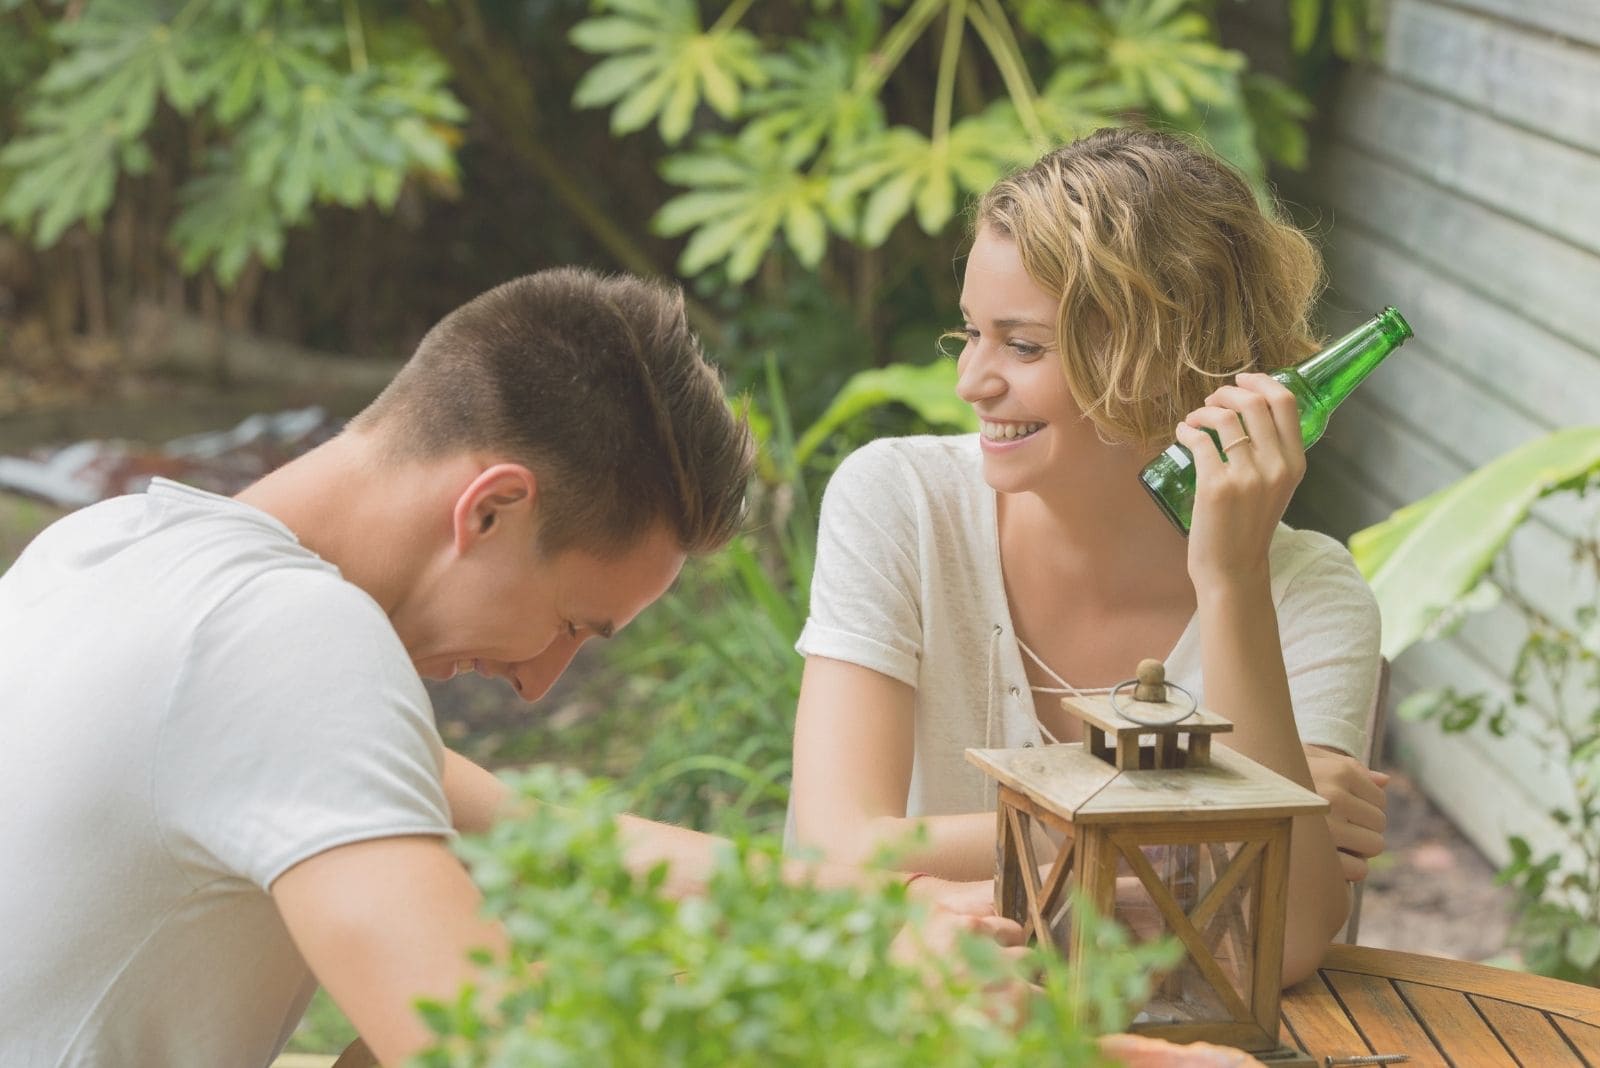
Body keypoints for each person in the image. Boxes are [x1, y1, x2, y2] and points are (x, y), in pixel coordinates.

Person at [0, 268, 1014, 1068]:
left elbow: (541, 838)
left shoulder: (113, 546)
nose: (538, 682)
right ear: (489, 508)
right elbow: (497, 1051)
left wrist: (857, 908)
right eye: (571, 623)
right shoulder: (287, 640)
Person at [787, 127, 1389, 987]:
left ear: (1165, 358)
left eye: (1023, 346)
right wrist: (1185, 814)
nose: (972, 383)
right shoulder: (900, 502)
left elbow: (1281, 943)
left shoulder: (1306, 593)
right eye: (971, 335)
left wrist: (1231, 582)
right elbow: (841, 849)